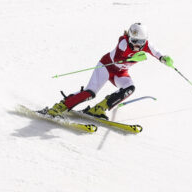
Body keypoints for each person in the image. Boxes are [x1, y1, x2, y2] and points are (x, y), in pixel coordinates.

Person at [40, 22, 173, 120]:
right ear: (129, 38)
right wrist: (132, 57)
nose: (138, 45)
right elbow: (116, 60)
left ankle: (99, 109)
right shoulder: (124, 43)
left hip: (120, 73)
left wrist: (163, 58)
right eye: (134, 41)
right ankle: (60, 107)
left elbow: (156, 52)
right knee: (90, 93)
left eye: (141, 42)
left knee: (129, 88)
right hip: (106, 67)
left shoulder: (146, 45)